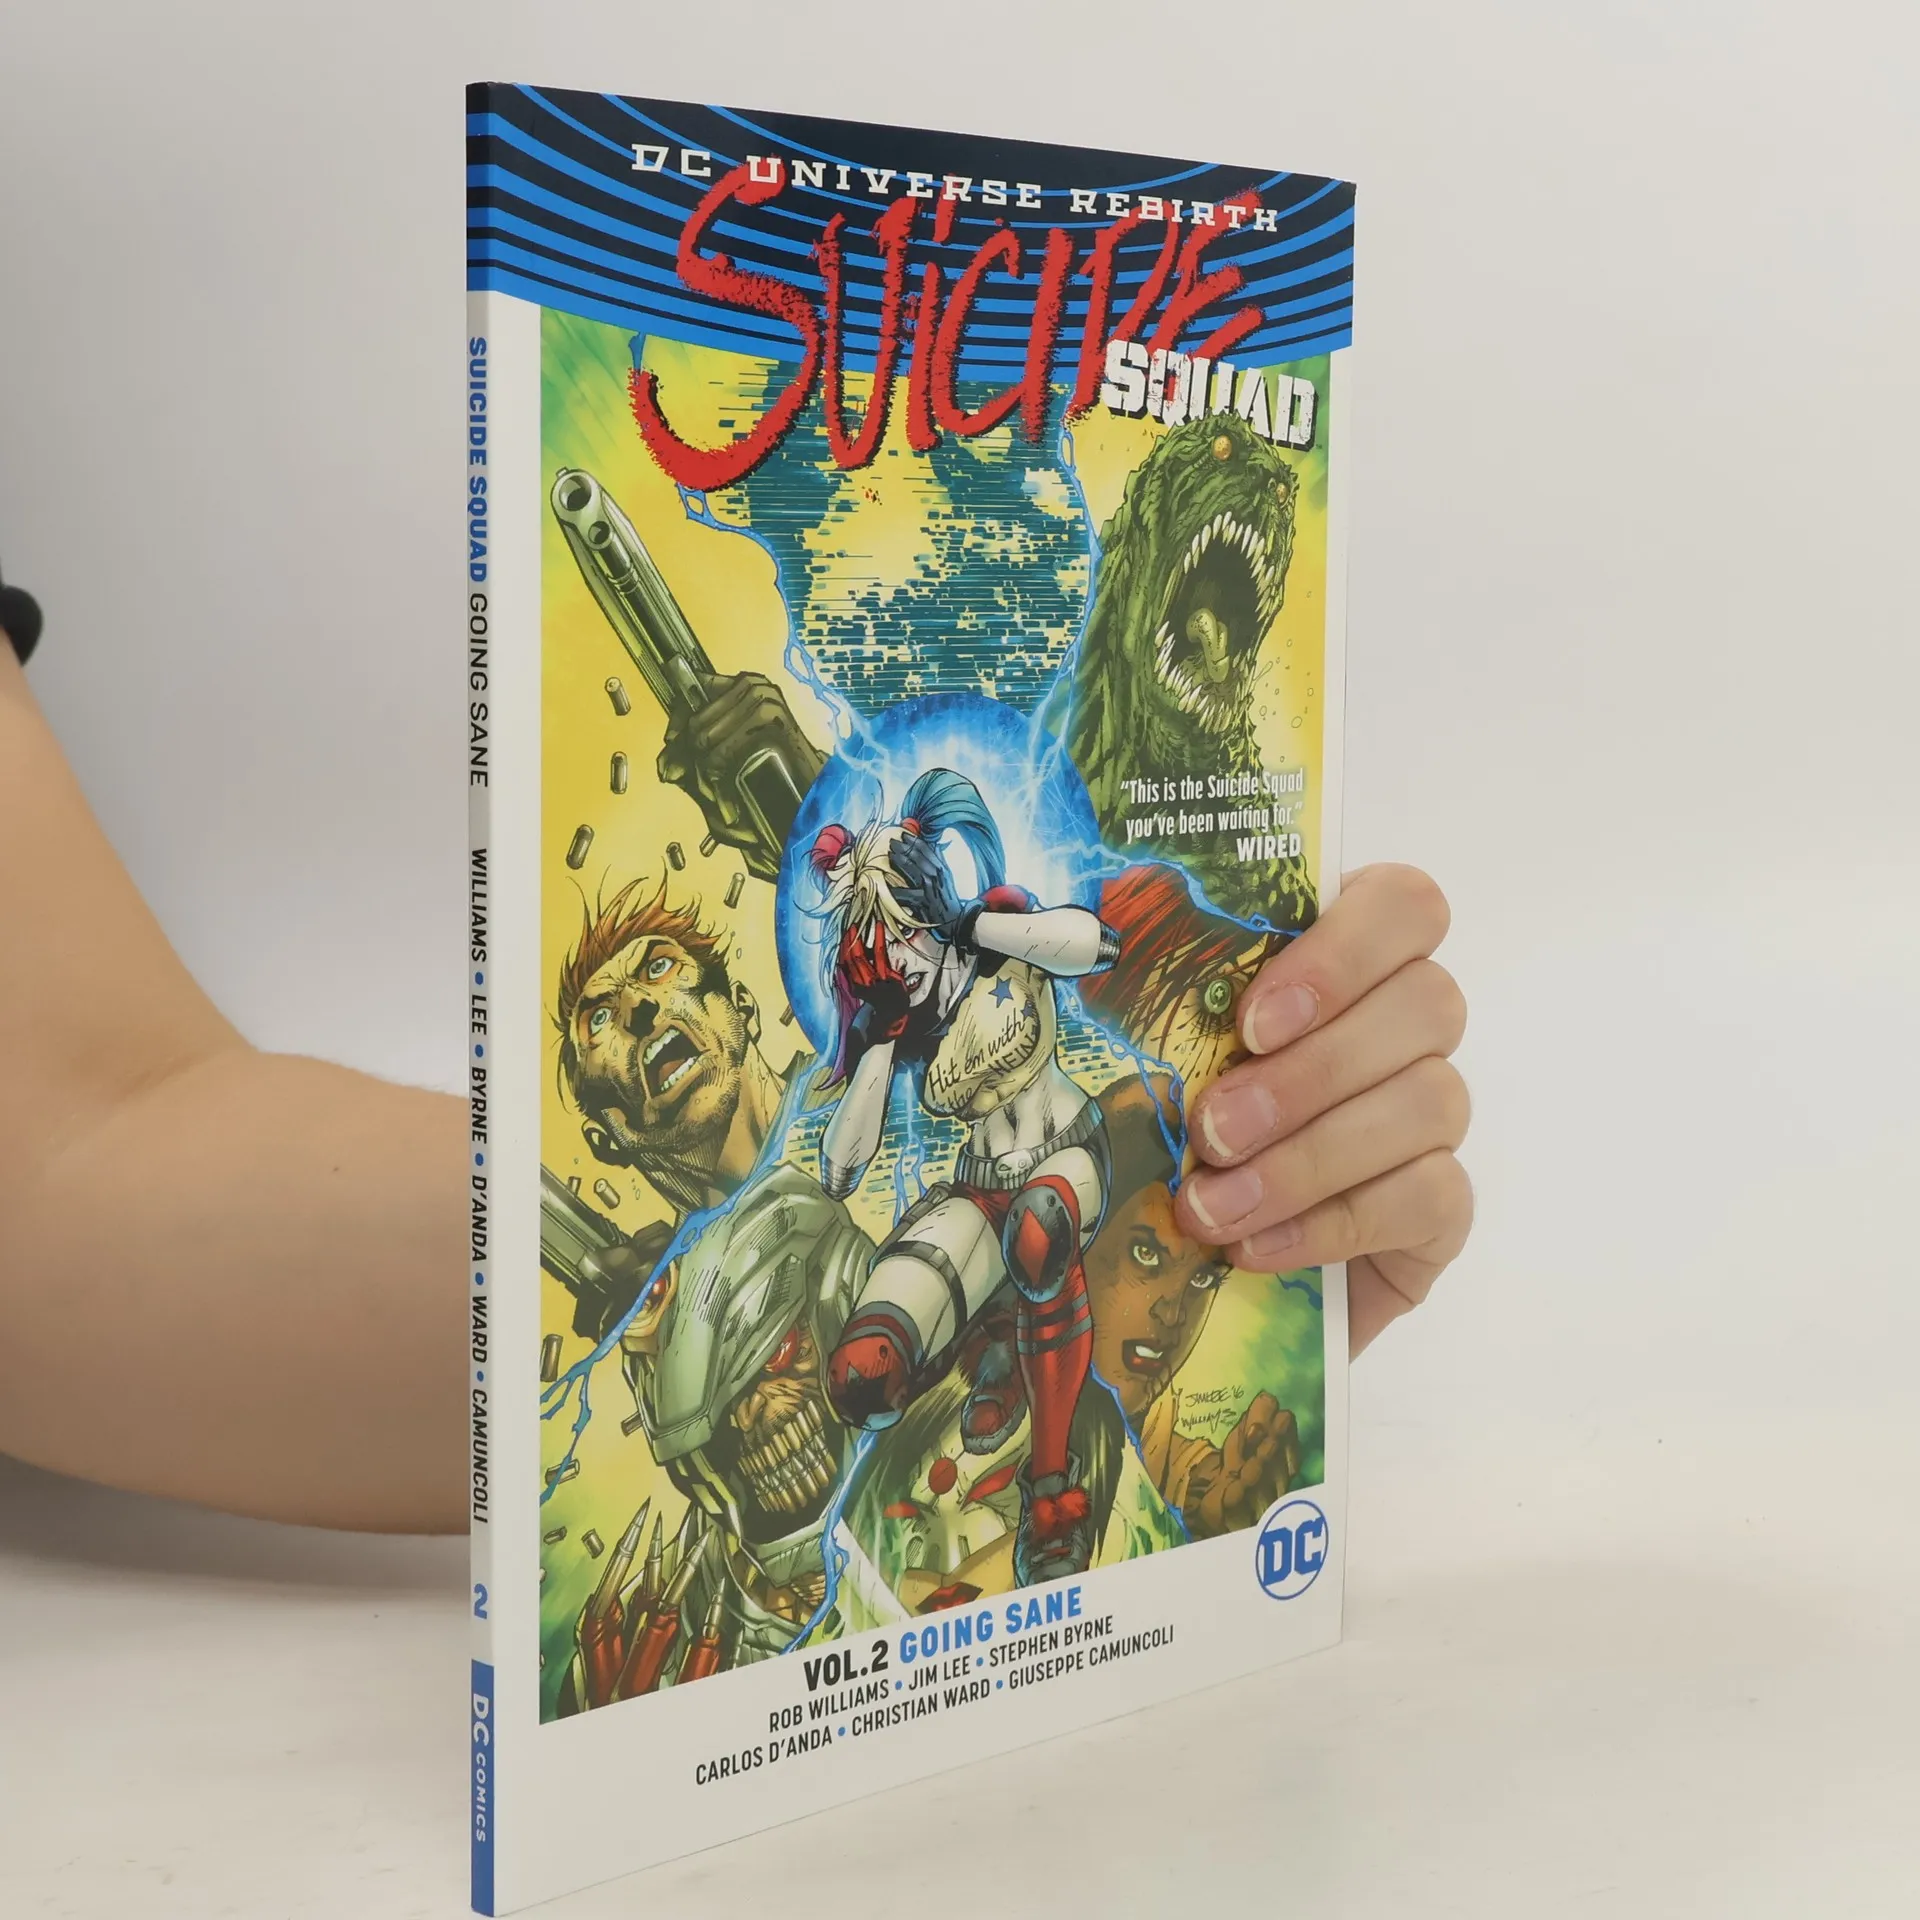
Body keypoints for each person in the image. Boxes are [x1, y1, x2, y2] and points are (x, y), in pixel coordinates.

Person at [0, 593, 1473, 1534]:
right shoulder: (877, 1026)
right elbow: (72, 1165)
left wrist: (1241, 1248)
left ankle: (1010, 1415)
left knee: (1026, 1226)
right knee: (940, 1271)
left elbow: (83, 1150)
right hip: (963, 1197)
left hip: (1055, 1158)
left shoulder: (988, 930)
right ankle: (931, 1362)